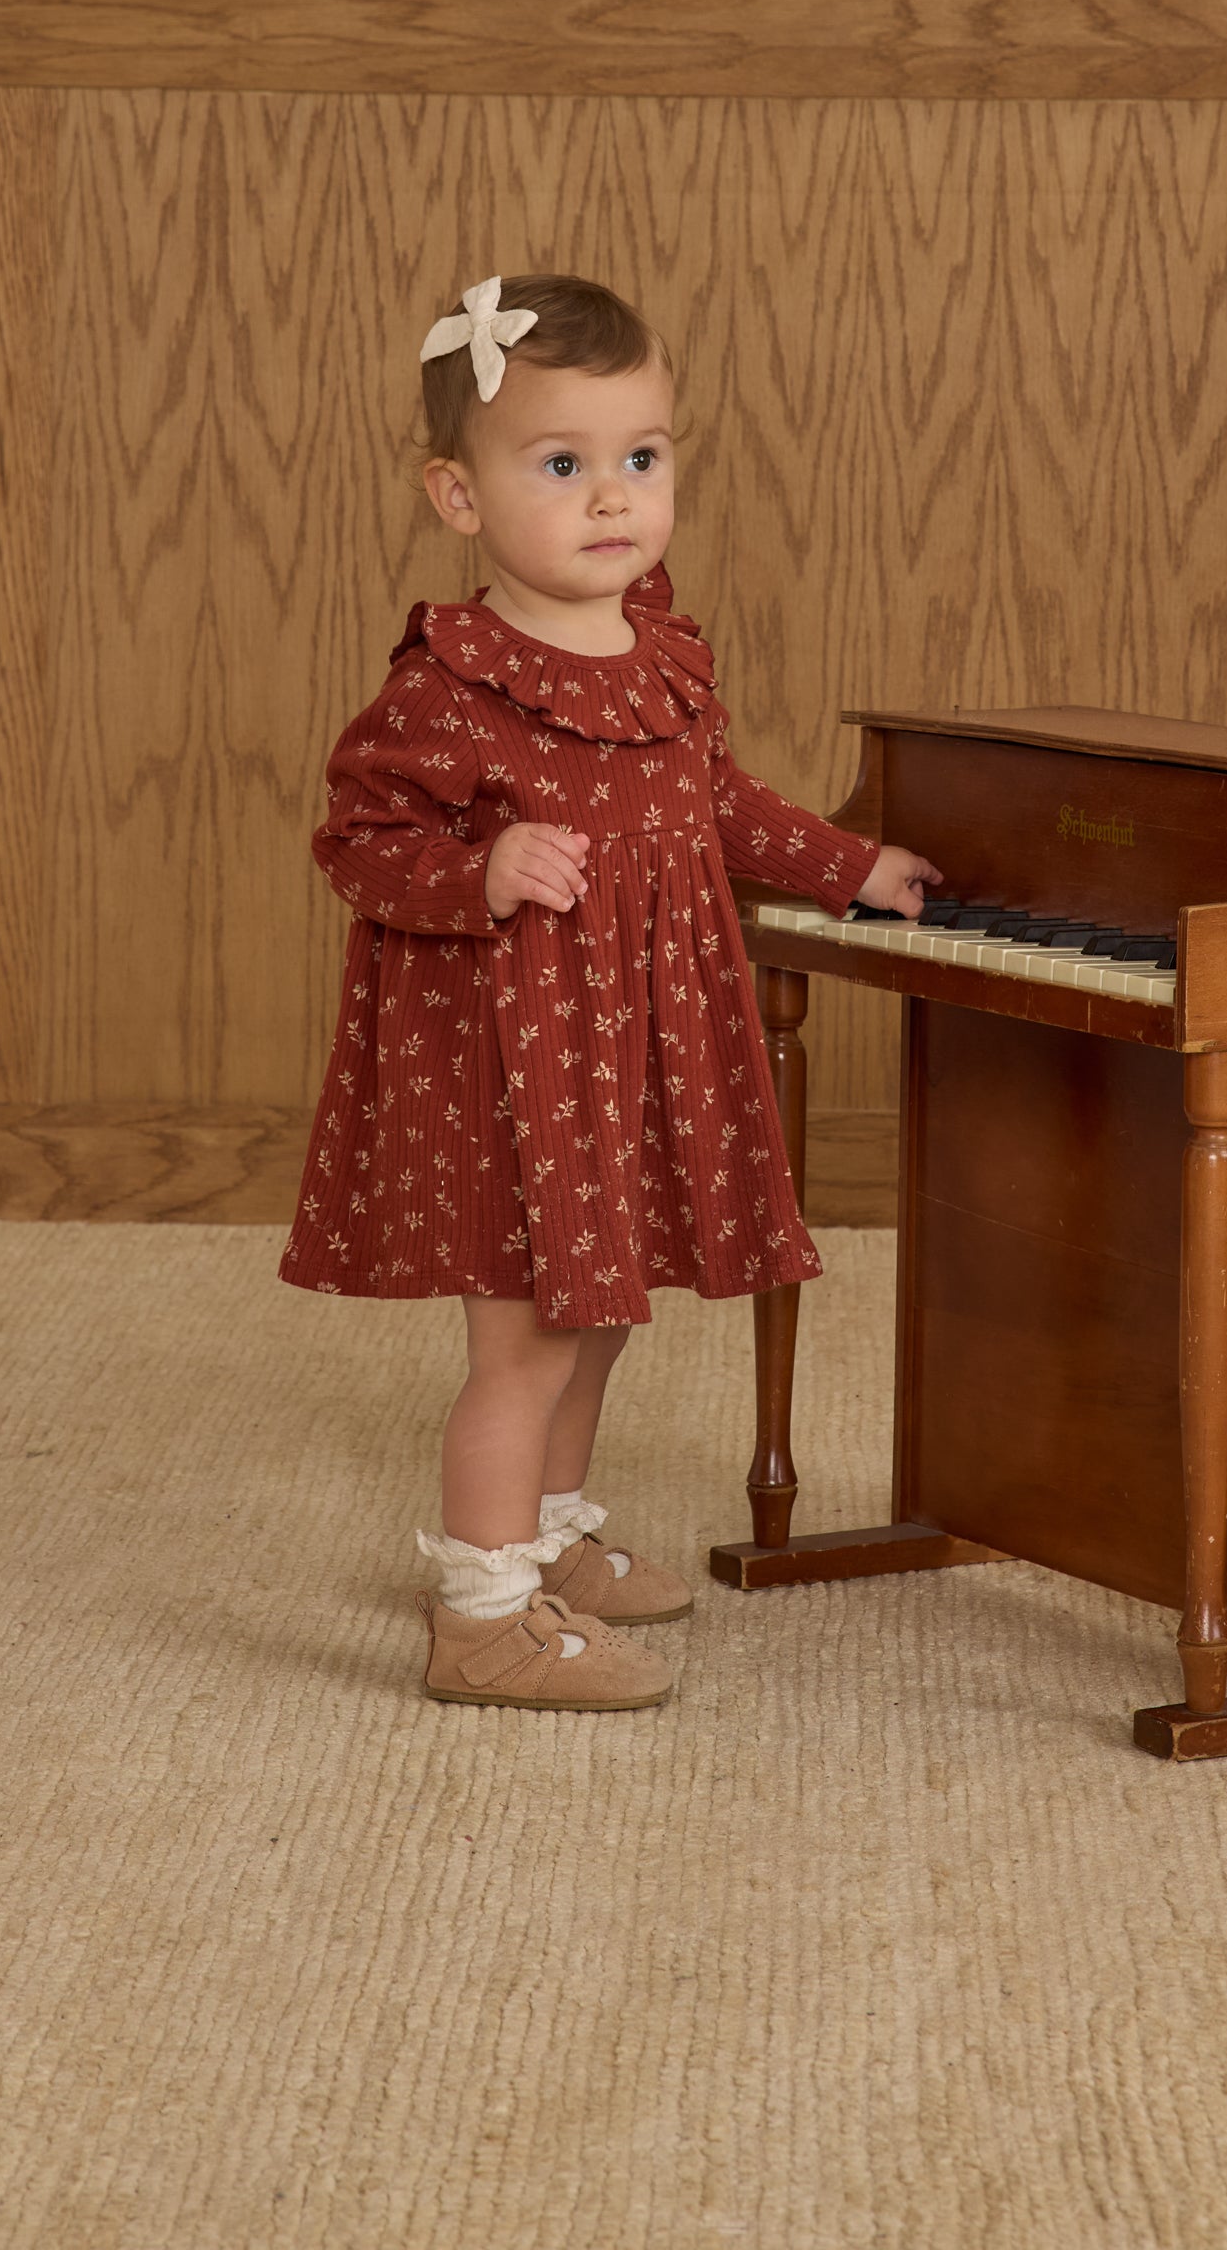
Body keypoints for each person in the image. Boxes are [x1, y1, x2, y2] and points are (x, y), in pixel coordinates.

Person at [279, 272, 941, 1709]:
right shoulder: (452, 687)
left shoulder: (664, 655)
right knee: (525, 1338)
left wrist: (847, 867)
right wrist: (485, 868)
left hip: (636, 1048)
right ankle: (482, 1610)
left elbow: (720, 807)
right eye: (561, 465)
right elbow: (360, 843)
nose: (610, 500)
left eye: (641, 460)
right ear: (459, 497)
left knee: (607, 1305)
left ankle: (553, 1537)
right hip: (515, 1067)